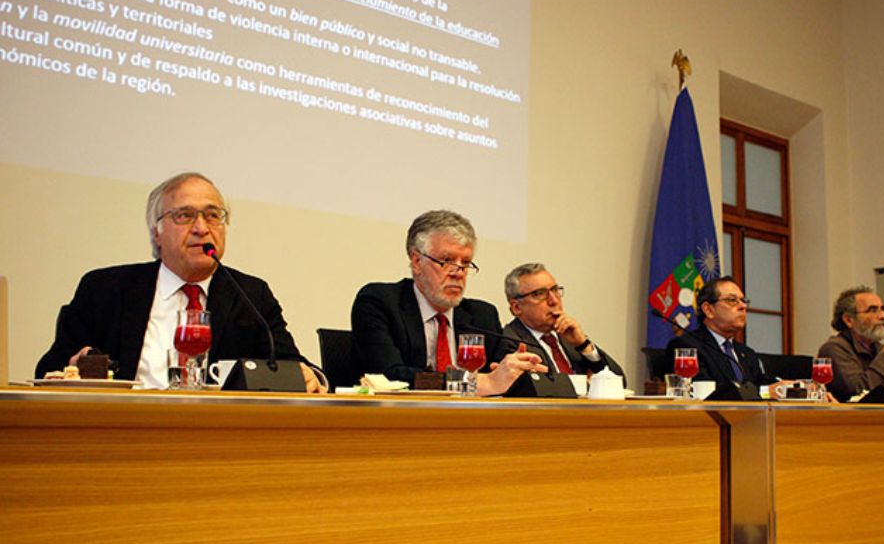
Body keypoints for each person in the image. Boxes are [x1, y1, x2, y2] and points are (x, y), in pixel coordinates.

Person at [35, 172, 325, 393]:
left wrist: (311, 376)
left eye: (213, 216)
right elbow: (49, 369)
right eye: (185, 216)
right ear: (157, 233)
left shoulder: (250, 294)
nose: (201, 228)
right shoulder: (105, 289)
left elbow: (293, 366)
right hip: (122, 431)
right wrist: (75, 366)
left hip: (217, 436)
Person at [351, 210, 547, 395]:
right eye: (446, 260)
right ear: (417, 262)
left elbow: (500, 377)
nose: (458, 272)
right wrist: (474, 382)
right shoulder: (379, 303)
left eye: (465, 263)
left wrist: (518, 371)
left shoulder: (482, 315)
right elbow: (389, 377)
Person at [499, 263, 625, 381]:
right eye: (539, 294)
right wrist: (586, 384)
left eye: (555, 290)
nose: (554, 301)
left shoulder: (568, 336)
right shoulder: (508, 342)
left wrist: (583, 345)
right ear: (516, 307)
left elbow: (619, 381)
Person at [663, 276, 776, 390]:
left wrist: (780, 387)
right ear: (708, 310)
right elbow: (704, 390)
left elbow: (761, 384)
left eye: (743, 300)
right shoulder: (687, 347)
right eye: (732, 300)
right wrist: (764, 392)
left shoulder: (747, 353)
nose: (743, 306)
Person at [818, 286, 884, 402]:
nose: (882, 316)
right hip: (850, 413)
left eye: (883, 309)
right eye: (873, 310)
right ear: (848, 320)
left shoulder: (878, 348)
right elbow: (859, 393)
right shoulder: (834, 349)